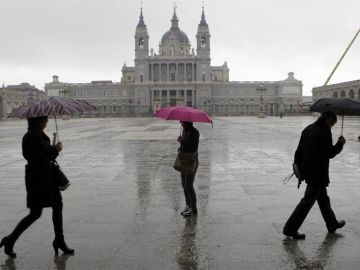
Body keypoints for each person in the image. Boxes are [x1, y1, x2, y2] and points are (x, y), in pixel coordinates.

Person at [0, 116, 74, 257]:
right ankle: (10, 240)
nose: (46, 123)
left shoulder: (38, 134)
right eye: (45, 120)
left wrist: (54, 150)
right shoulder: (30, 137)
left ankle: (59, 240)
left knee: (57, 207)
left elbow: (46, 156)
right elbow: (38, 158)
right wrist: (55, 149)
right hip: (38, 180)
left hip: (47, 177)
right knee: (35, 213)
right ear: (38, 121)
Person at [283, 111, 346, 239]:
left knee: (323, 199)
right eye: (332, 123)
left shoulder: (308, 129)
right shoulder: (324, 131)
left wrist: (296, 165)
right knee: (307, 202)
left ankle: (332, 224)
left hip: (308, 171)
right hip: (318, 173)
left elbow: (298, 150)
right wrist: (340, 144)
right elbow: (330, 153)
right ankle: (290, 229)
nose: (332, 126)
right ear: (328, 120)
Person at [177, 121, 200, 217]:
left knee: (189, 185)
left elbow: (193, 148)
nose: (180, 122)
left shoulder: (194, 132)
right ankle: (188, 205)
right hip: (184, 160)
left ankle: (193, 209)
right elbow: (184, 147)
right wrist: (180, 145)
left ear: (187, 122)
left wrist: (183, 141)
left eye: (182, 121)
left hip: (191, 161)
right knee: (183, 184)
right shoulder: (185, 131)